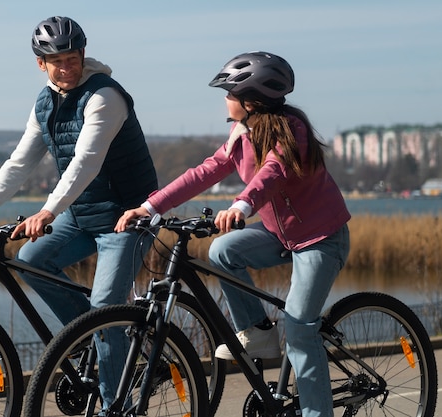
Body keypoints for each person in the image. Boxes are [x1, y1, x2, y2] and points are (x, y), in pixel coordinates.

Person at [116, 51, 351, 417]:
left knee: (301, 329)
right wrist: (151, 207)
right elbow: (205, 171)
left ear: (251, 100)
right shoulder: (241, 132)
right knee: (223, 252)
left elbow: (273, 172)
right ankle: (257, 331)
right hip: (280, 235)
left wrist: (242, 205)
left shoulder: (293, 130)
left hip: (320, 239)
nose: (224, 100)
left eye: (229, 93)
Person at [0, 16, 158, 409]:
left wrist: (47, 211)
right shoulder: (45, 102)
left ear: (82, 55)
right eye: (57, 61)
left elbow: (86, 161)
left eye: (73, 58)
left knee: (106, 309)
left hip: (126, 218)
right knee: (31, 260)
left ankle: (116, 404)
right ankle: (96, 341)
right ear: (40, 63)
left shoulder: (105, 96)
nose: (66, 67)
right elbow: (19, 163)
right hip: (80, 215)